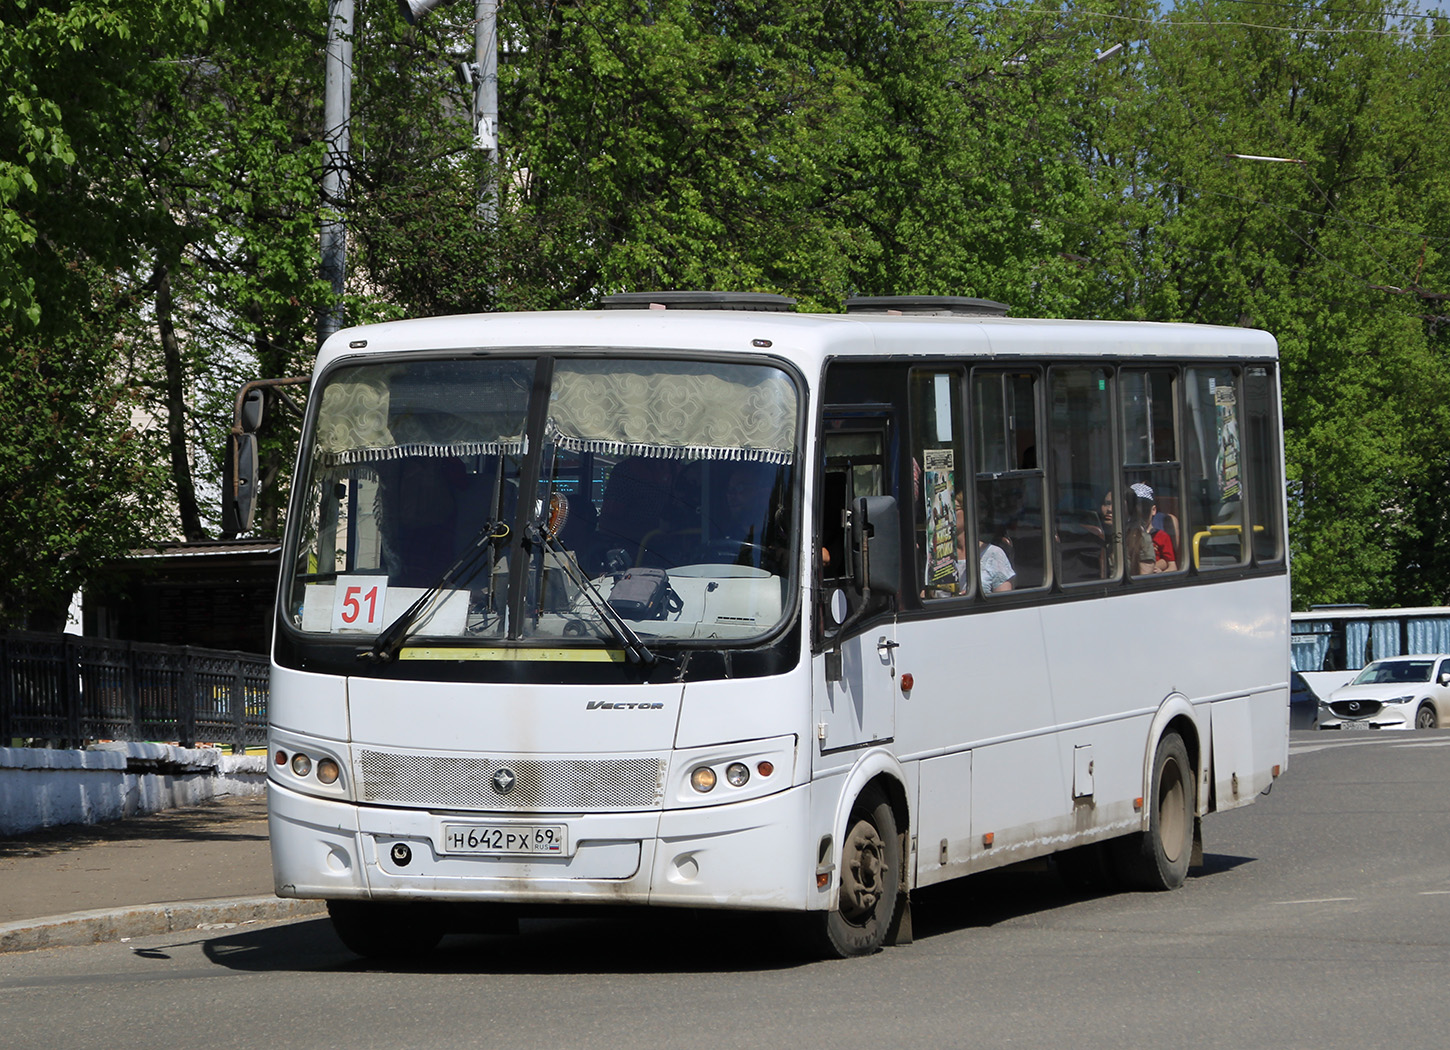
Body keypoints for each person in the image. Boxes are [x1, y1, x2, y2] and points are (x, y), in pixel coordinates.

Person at [953, 495, 1014, 594]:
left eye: (953, 509)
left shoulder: (993, 554)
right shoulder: (937, 558)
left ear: (969, 512)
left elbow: (1005, 601)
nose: (946, 515)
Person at [1126, 482, 1176, 574]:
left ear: (1153, 510)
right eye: (1134, 509)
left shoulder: (1162, 536)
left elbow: (1172, 566)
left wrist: (1161, 572)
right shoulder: (1125, 534)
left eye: (1145, 509)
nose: (1140, 513)